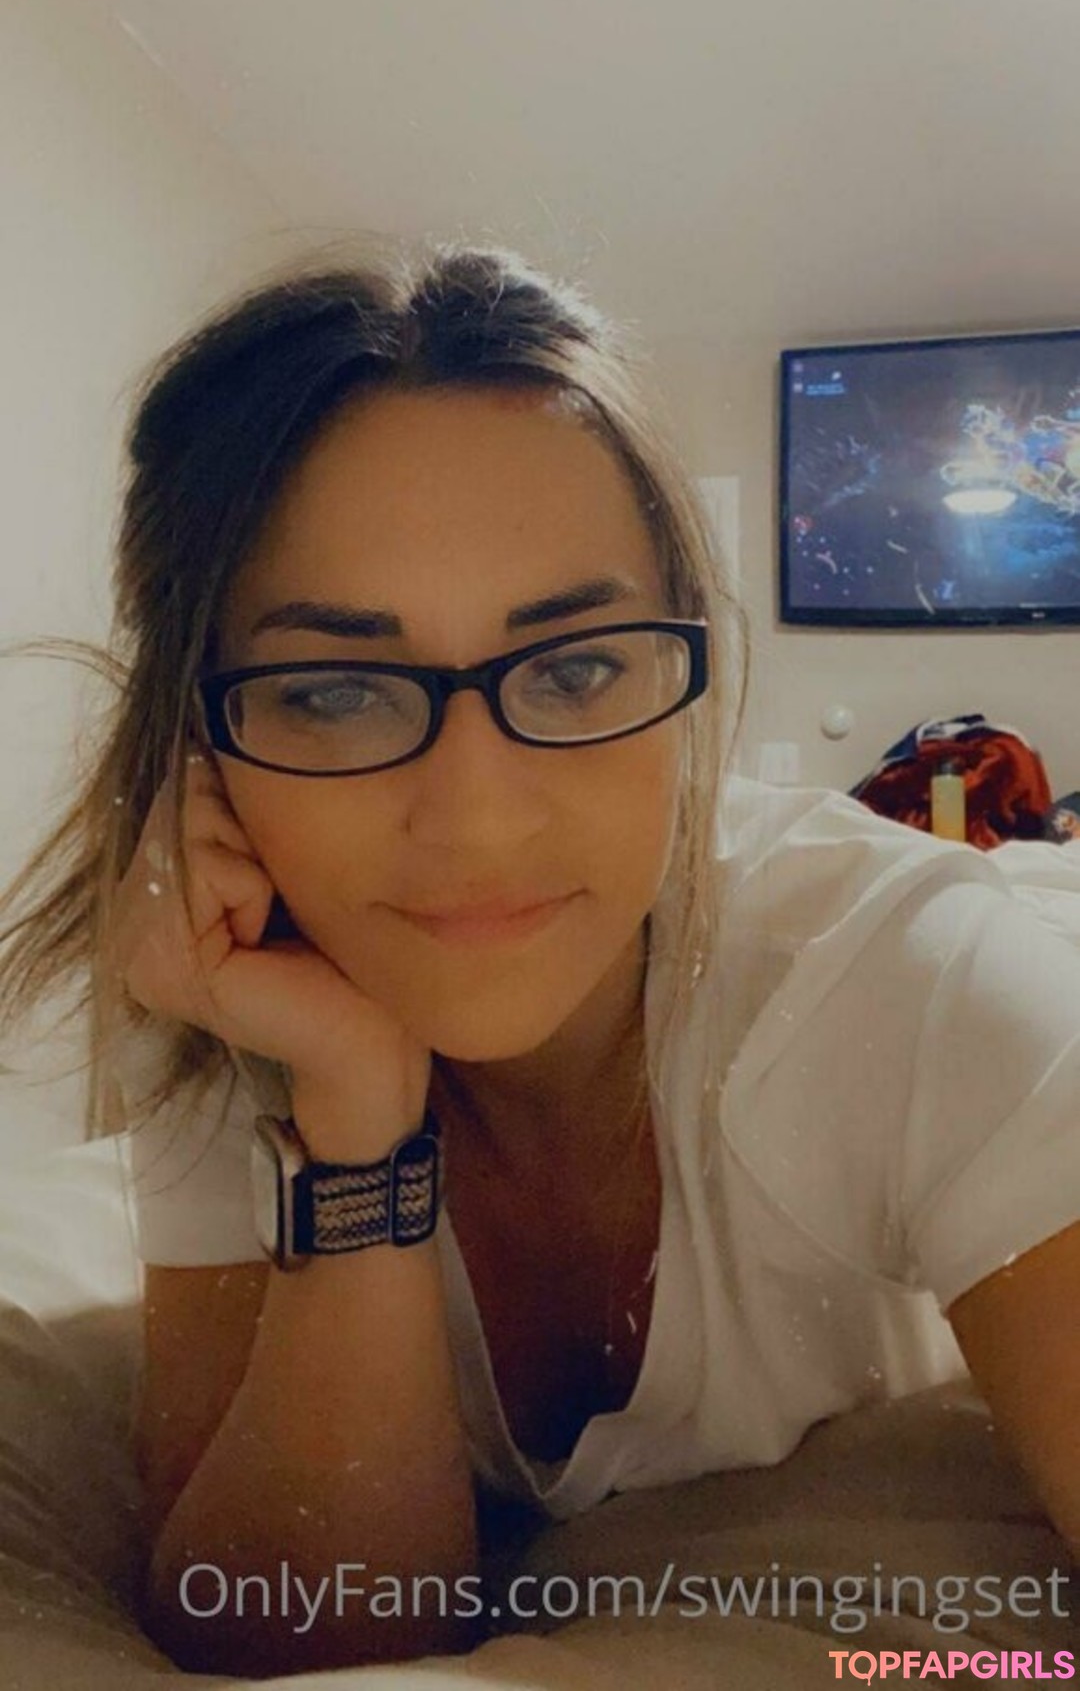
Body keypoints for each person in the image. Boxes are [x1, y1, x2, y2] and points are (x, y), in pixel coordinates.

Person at [0, 243, 1077, 1678]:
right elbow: (275, 1634)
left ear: (680, 683)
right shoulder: (229, 982)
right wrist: (355, 1119)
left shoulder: (919, 978)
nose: (477, 821)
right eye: (335, 690)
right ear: (202, 743)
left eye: (575, 670)